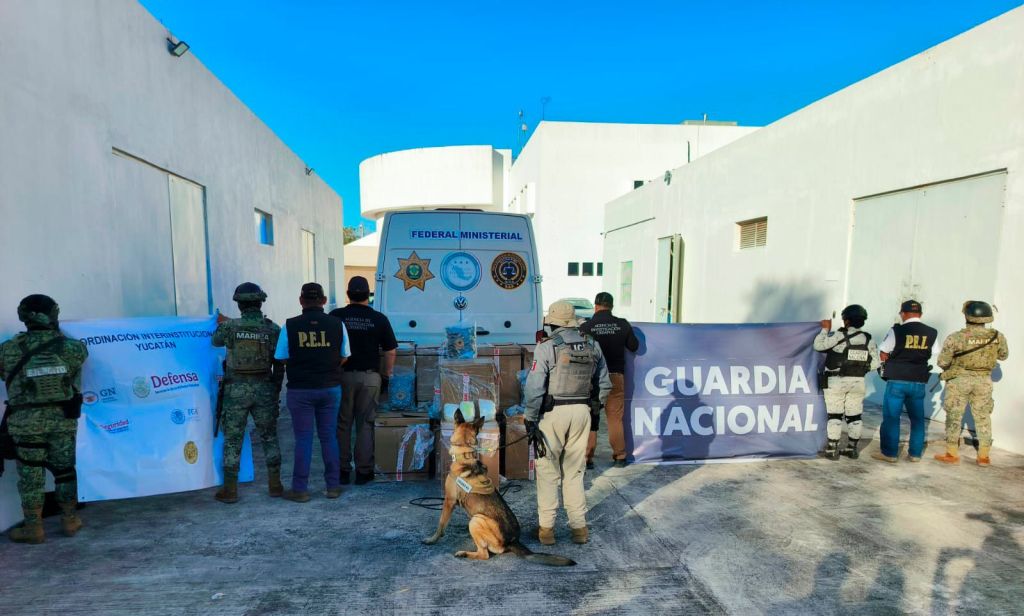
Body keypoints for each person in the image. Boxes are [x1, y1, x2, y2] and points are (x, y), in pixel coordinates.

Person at [0, 295, 88, 543]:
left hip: (25, 424)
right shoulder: (73, 348)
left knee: (30, 475)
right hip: (62, 421)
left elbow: (4, 374)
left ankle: (34, 528)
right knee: (65, 471)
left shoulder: (7, 349)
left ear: (23, 316)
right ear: (54, 314)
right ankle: (70, 520)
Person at [524, 300, 611, 546]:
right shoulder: (592, 344)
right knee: (575, 472)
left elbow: (534, 387)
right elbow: (605, 384)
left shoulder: (547, 347)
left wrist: (530, 417)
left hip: (552, 414)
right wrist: (594, 407)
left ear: (552, 323)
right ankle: (579, 529)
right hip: (582, 411)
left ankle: (547, 530)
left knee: (547, 472)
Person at [274, 283, 350, 502]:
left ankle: (300, 489)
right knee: (329, 437)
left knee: (303, 439)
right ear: (324, 301)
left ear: (301, 300)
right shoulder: (337, 324)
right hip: (330, 388)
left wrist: (301, 365)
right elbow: (345, 355)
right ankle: (333, 486)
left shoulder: (289, 325)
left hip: (300, 389)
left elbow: (281, 357)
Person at [211, 282, 284, 503]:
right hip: (265, 390)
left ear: (239, 304)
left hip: (235, 392)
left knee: (233, 440)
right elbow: (280, 362)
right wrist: (275, 389)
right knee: (269, 437)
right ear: (261, 303)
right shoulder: (273, 329)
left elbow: (215, 341)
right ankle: (275, 485)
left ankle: (230, 490)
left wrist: (225, 322)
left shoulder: (229, 327)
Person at [329, 276, 397, 485]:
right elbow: (390, 351)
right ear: (369, 295)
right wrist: (386, 375)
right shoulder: (379, 318)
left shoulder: (336, 316)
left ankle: (342, 471)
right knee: (366, 424)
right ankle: (363, 471)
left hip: (341, 376)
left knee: (342, 424)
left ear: (348, 294)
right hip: (369, 377)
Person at [934, 301, 1008, 466]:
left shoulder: (956, 337)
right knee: (983, 417)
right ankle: (984, 456)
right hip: (984, 381)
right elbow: (1003, 356)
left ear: (967, 316)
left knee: (954, 415)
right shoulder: (998, 336)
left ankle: (952, 453)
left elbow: (942, 362)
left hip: (959, 380)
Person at [579, 292, 638, 468]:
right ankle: (620, 456)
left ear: (596, 306)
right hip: (615, 376)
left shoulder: (587, 327)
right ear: (611, 306)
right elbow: (634, 346)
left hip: (593, 378)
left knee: (591, 416)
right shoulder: (622, 324)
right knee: (615, 418)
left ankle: (587, 458)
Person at [872, 299, 937, 463]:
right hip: (919, 380)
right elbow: (935, 352)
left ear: (903, 313)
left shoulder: (897, 330)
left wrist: (885, 365)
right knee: (918, 419)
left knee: (892, 417)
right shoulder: (932, 332)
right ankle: (915, 454)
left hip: (897, 380)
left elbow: (883, 351)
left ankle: (889, 453)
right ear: (920, 314)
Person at [813, 304, 880, 460]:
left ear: (847, 320)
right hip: (858, 381)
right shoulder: (868, 339)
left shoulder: (839, 335)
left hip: (836, 381)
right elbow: (876, 363)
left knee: (835, 416)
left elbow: (818, 345)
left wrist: (825, 329)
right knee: (854, 416)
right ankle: (852, 448)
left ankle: (832, 450)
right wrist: (859, 369)